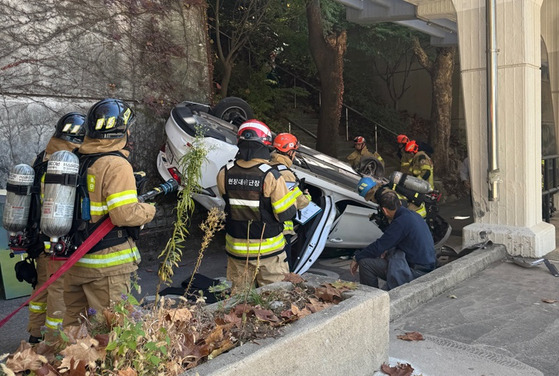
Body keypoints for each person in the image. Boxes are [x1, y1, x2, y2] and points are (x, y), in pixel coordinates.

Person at [62, 98, 156, 327]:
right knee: (111, 331)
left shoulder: (78, 159)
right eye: (129, 128)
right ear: (120, 130)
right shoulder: (116, 165)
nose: (131, 133)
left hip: (76, 261)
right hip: (107, 267)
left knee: (73, 332)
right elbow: (123, 215)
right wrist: (148, 210)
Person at [216, 120, 298, 291]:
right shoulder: (270, 175)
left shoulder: (224, 172)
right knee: (276, 301)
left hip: (237, 253)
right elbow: (286, 214)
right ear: (265, 144)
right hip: (269, 255)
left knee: (239, 305)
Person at [26, 112, 86, 343]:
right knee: (59, 292)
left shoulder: (41, 158)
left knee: (42, 287)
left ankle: (34, 333)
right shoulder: (72, 161)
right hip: (63, 239)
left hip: (40, 237)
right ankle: (53, 343)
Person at [350, 189, 436, 290]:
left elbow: (379, 246)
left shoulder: (400, 222)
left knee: (366, 264)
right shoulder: (413, 215)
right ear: (399, 202)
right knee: (387, 254)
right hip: (429, 264)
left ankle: (372, 298)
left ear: (384, 210)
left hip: (418, 271)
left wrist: (357, 258)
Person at [270, 133, 312, 269]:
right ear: (289, 151)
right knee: (282, 268)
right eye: (294, 152)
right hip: (282, 229)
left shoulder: (267, 166)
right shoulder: (286, 173)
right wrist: (307, 197)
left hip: (266, 227)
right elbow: (298, 202)